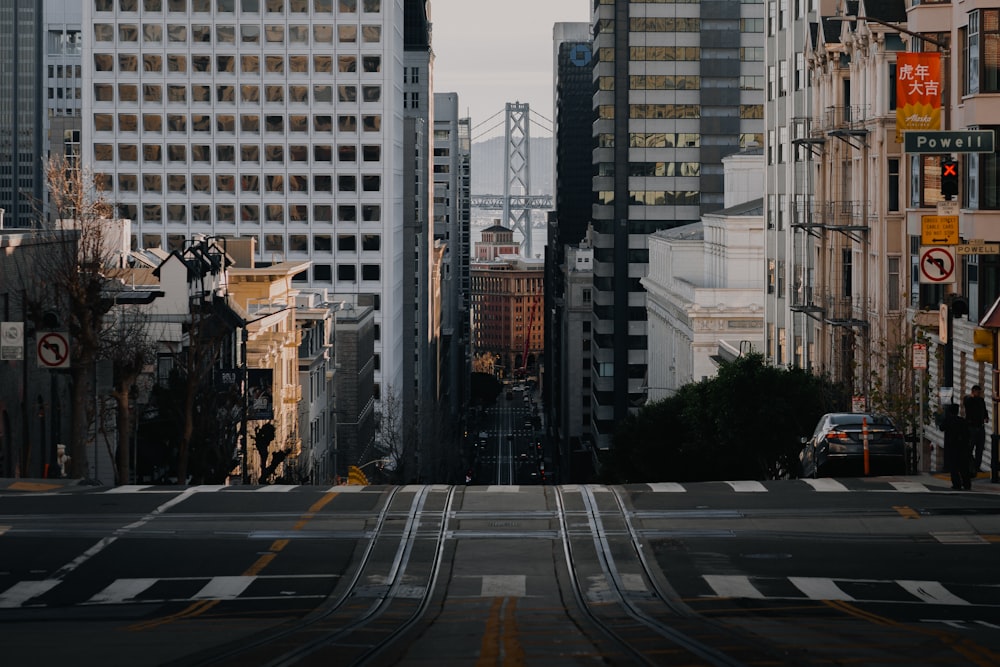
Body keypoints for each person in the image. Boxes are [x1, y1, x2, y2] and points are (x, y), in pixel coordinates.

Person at [943, 403, 971, 490]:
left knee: (954, 467)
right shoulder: (962, 421)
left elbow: (941, 427)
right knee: (964, 467)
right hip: (962, 447)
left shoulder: (948, 420)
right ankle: (967, 484)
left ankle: (957, 484)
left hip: (952, 447)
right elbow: (967, 434)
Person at [963, 384, 989, 473]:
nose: (979, 394)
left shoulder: (981, 401)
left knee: (980, 448)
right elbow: (966, 403)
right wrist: (972, 396)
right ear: (973, 392)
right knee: (970, 447)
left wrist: (986, 417)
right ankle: (970, 466)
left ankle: (977, 466)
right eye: (978, 392)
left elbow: (984, 410)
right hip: (971, 427)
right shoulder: (969, 399)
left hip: (980, 426)